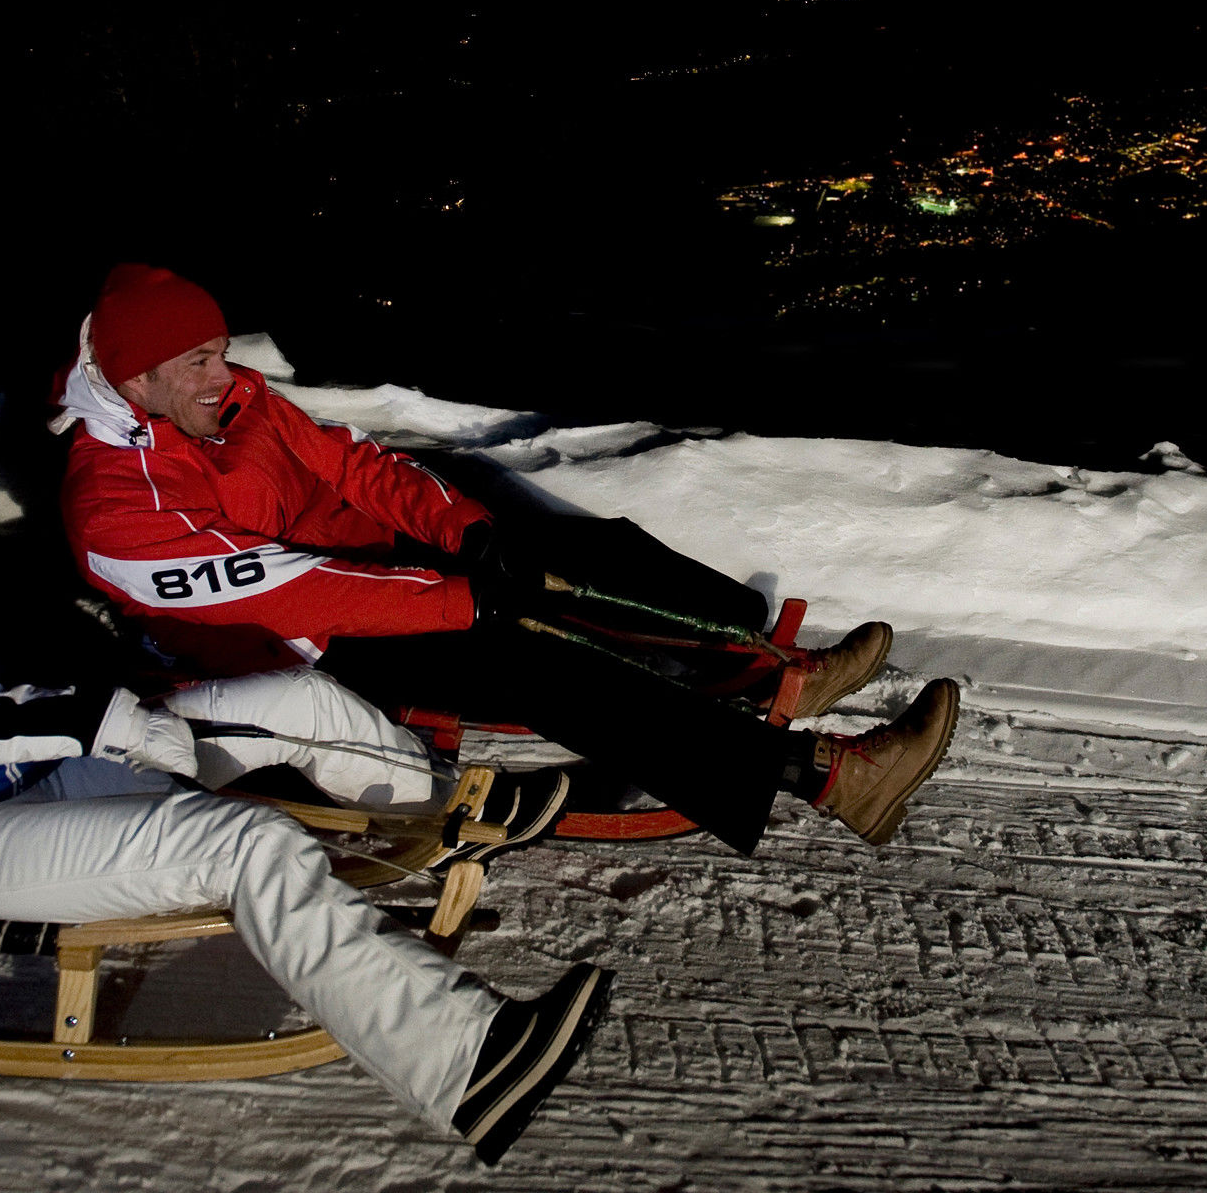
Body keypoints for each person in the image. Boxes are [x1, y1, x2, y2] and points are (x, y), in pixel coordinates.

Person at [0, 228, 598, 1162]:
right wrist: (103, 719)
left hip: (15, 775)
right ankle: (469, 1062)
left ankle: (443, 812)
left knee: (295, 699)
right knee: (245, 844)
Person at [55, 262, 961, 855]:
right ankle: (831, 777)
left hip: (380, 565)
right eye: (199, 361)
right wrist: (461, 600)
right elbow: (293, 593)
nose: (225, 373)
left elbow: (355, 464)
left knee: (570, 549)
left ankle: (769, 668)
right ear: (136, 376)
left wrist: (463, 531)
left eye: (220, 351)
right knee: (538, 659)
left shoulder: (235, 402)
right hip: (303, 644)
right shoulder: (112, 505)